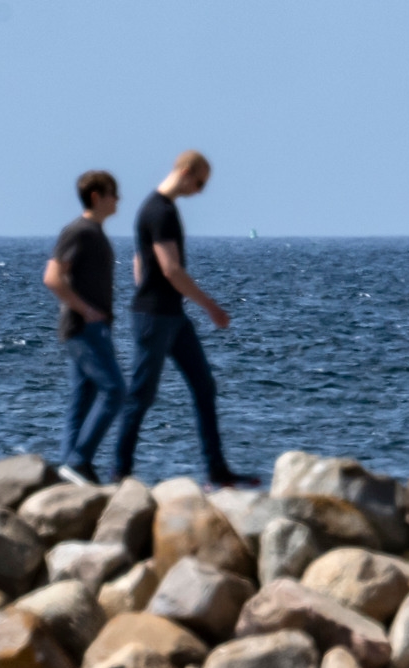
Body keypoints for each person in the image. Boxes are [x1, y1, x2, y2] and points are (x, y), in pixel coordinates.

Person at [113, 150, 258, 487]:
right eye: (201, 182)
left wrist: (153, 290)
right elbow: (171, 268)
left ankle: (216, 470)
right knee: (142, 394)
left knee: (204, 386)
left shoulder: (160, 209)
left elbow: (140, 260)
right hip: (155, 317)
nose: (201, 191)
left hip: (171, 315)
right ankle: (120, 473)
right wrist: (211, 307)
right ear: (188, 171)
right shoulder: (159, 211)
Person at [42, 170, 125, 486]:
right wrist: (86, 310)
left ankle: (68, 470)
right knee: (115, 390)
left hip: (91, 328)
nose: (118, 199)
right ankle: (78, 462)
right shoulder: (80, 231)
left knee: (82, 399)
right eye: (113, 193)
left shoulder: (94, 232)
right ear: (96, 197)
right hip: (83, 329)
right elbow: (52, 277)